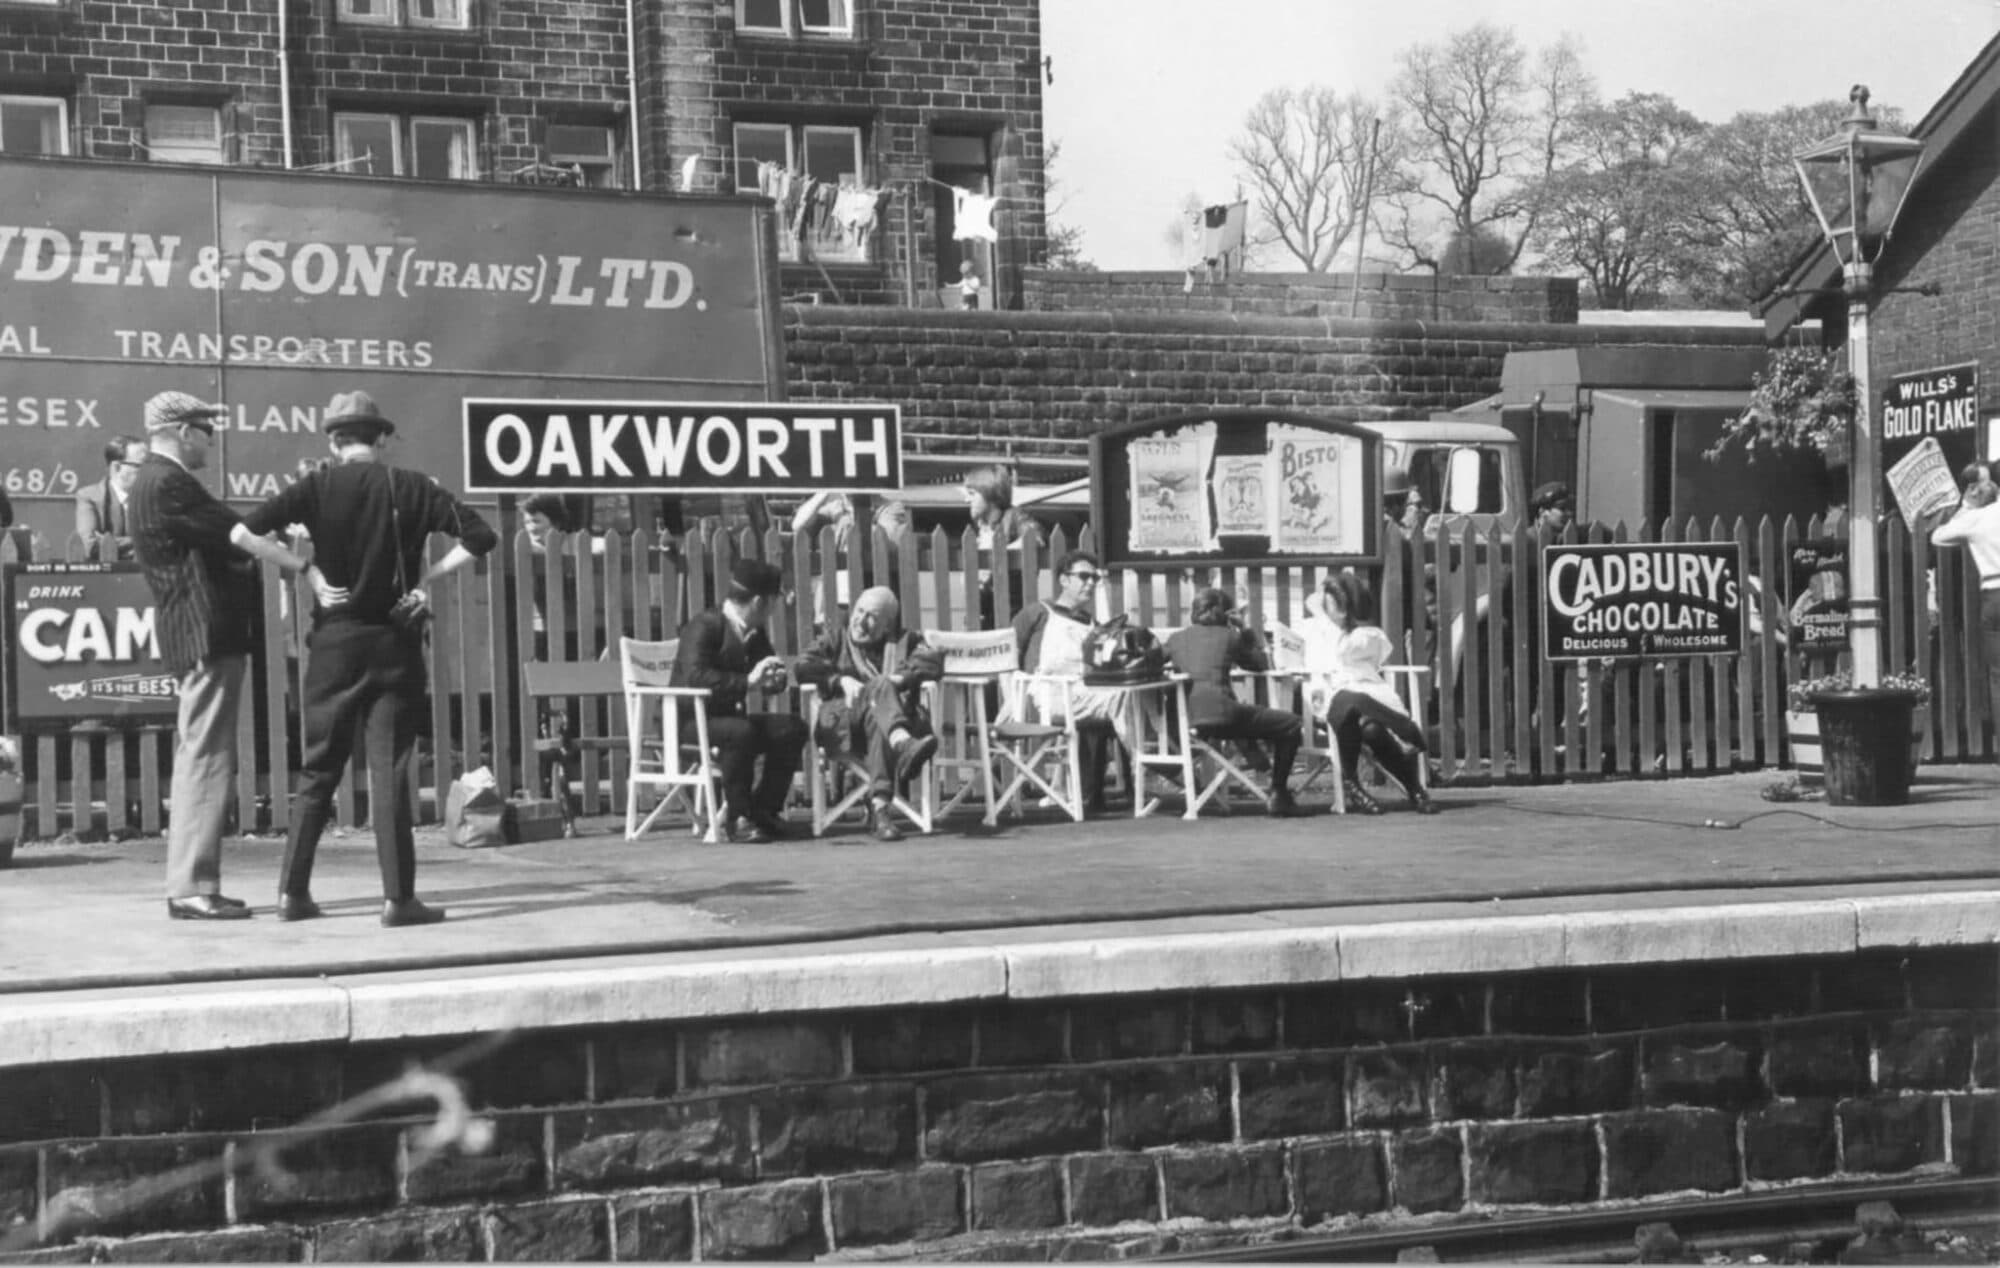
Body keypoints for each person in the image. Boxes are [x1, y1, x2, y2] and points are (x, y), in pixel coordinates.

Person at [240, 390, 497, 927]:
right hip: (393, 644)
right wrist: (427, 577)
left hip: (333, 643)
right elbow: (481, 535)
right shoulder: (411, 487)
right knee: (390, 772)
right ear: (380, 438)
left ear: (334, 441)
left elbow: (242, 532)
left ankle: (292, 893)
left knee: (318, 770)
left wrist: (305, 570)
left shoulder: (315, 486)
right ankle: (398, 899)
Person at [127, 390, 335, 921]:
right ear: (182, 431)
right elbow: (242, 535)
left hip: (196, 632)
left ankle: (195, 883)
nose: (211, 440)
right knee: (205, 757)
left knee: (202, 753)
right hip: (205, 633)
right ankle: (193, 887)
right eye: (205, 428)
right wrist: (303, 566)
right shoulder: (168, 482)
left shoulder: (153, 482)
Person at [793, 586, 944, 840]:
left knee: (879, 708)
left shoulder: (904, 641)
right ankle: (901, 744)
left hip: (879, 730)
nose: (860, 621)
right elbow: (802, 667)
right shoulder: (835, 638)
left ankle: (880, 809)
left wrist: (899, 679)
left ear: (887, 626)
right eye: (859, 611)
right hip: (845, 728)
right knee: (880, 690)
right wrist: (838, 680)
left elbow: (932, 662)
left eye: (871, 616)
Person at [675, 558, 810, 842]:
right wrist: (748, 682)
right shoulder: (704, 625)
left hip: (728, 722)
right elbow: (695, 678)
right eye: (773, 603)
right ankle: (738, 816)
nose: (773, 611)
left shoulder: (754, 633)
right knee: (741, 733)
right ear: (760, 602)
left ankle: (764, 811)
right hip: (690, 724)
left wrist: (774, 678)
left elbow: (765, 671)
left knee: (791, 728)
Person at [1298, 571, 1437, 815]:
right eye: (1331, 606)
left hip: (1366, 696)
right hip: (1325, 696)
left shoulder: (1365, 636)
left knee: (1370, 727)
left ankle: (1412, 788)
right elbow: (1328, 651)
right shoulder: (1313, 628)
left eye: (1339, 607)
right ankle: (1404, 731)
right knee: (1352, 700)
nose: (1335, 613)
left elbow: (1349, 651)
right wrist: (1322, 614)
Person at [1163, 588, 1307, 817]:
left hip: (1187, 719)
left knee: (1240, 714)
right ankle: (1279, 792)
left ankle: (1260, 764)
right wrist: (1244, 629)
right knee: (1290, 724)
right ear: (1222, 612)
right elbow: (1260, 664)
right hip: (1222, 715)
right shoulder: (1229, 636)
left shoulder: (1176, 639)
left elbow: (1158, 662)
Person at [1012, 548, 1127, 815]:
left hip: (1083, 693)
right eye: (1083, 577)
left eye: (1094, 578)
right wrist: (1012, 700)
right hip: (1045, 696)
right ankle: (1154, 764)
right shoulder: (1038, 613)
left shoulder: (1092, 623)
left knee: (1128, 695)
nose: (1090, 583)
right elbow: (1009, 656)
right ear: (1064, 580)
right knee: (1119, 701)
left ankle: (1129, 777)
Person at [1927, 461, 2000, 742]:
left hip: (1993, 594)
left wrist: (1966, 505)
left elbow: (1938, 537)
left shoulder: (1973, 519)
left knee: (1997, 674)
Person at [965, 464, 1044, 628]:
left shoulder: (1013, 516)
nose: (967, 499)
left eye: (972, 494)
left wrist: (998, 557)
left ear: (990, 493)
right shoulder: (980, 528)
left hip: (1013, 615)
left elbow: (1035, 538)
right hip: (985, 614)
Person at [74, 436, 149, 560]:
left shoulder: (155, 498)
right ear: (117, 467)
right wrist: (142, 542)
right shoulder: (89, 497)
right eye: (141, 466)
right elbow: (90, 546)